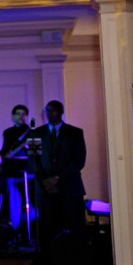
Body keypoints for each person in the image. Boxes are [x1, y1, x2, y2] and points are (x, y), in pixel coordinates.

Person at [28, 100, 86, 242]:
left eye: (53, 110)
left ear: (61, 112)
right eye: (47, 110)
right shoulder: (36, 133)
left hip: (69, 188)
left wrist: (58, 178)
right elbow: (32, 160)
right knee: (48, 230)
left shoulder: (75, 133)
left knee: (73, 227)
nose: (49, 113)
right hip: (45, 189)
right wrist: (45, 180)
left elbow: (79, 160)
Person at [0, 104, 31, 225]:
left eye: (24, 114)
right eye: (18, 114)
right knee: (13, 202)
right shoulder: (8, 132)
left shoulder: (32, 132)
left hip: (28, 170)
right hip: (12, 171)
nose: (21, 116)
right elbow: (6, 150)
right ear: (13, 116)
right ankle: (14, 226)